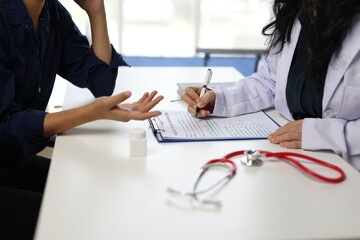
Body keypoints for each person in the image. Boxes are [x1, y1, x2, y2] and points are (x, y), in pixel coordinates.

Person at [0, 0, 163, 239]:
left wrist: (96, 11)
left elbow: (101, 83)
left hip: (14, 162)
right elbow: (5, 124)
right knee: (75, 222)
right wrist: (90, 113)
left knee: (110, 195)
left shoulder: (52, 13)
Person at [182, 0, 360, 170]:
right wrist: (221, 100)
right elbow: (270, 80)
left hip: (348, 167)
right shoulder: (294, 14)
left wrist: (324, 134)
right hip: (290, 156)